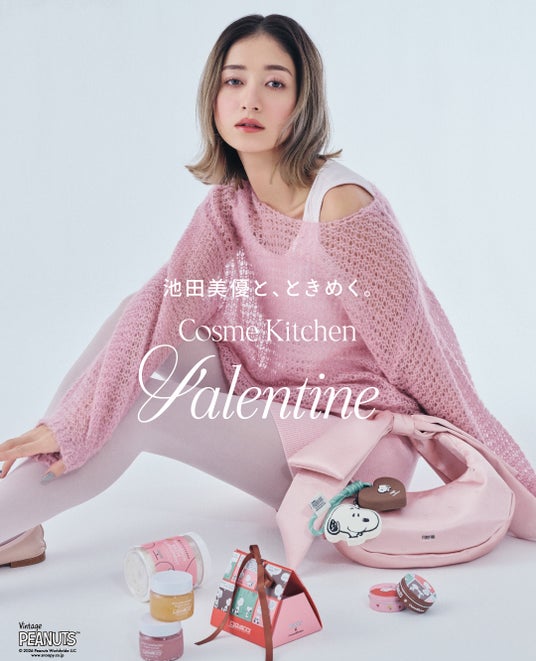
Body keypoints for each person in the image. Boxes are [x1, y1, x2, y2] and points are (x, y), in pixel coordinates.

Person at [1, 14, 535, 568]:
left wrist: (519, 486)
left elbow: (428, 364)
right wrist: (69, 422)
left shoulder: (342, 209)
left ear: (302, 103)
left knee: (142, 404)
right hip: (279, 403)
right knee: (134, 317)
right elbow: (164, 307)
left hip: (357, 449)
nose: (250, 100)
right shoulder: (230, 203)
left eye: (274, 83)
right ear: (213, 98)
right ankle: (18, 512)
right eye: (234, 81)